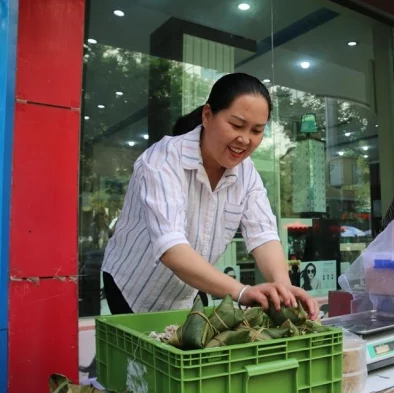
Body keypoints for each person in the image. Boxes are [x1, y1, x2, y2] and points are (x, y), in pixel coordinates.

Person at [101, 72, 318, 319]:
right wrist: (242, 292)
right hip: (135, 287)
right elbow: (170, 246)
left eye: (257, 130)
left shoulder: (246, 173)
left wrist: (283, 287)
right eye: (236, 125)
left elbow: (263, 234)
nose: (245, 139)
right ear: (207, 116)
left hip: (190, 288)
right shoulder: (163, 159)